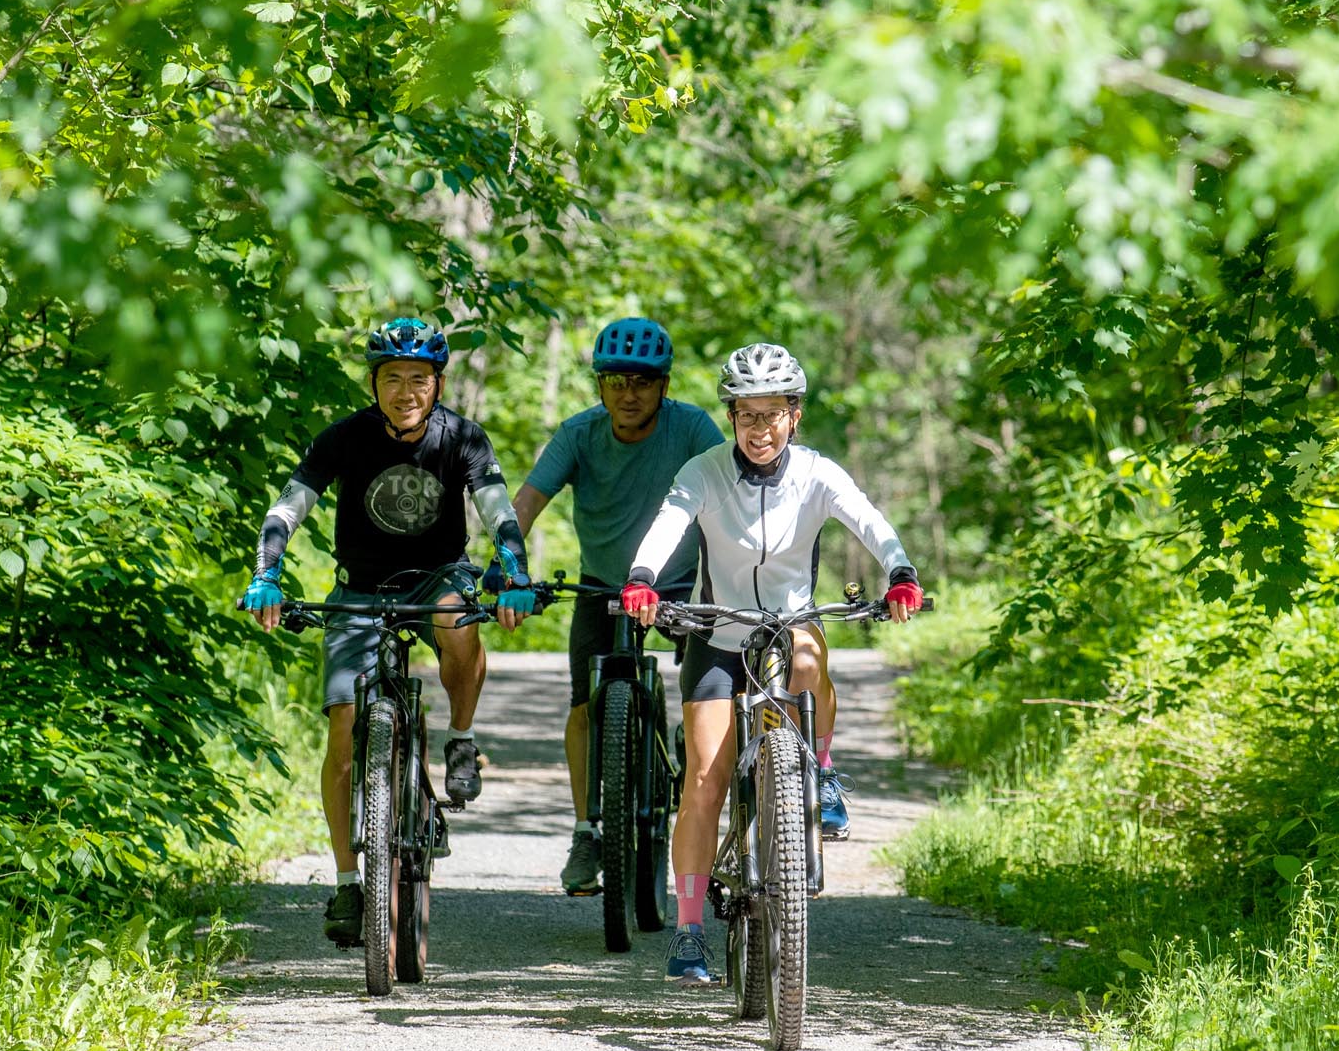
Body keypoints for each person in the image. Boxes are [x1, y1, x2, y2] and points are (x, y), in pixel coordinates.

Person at [620, 343, 923, 985]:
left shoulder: (817, 472)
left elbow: (867, 519)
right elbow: (668, 523)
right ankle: (691, 930)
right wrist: (643, 577)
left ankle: (822, 770)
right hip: (721, 634)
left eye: (773, 415)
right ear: (731, 416)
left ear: (795, 416)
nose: (760, 430)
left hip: (790, 626)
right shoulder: (703, 472)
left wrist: (900, 572)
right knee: (703, 781)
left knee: (809, 649)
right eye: (746, 415)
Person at [239, 317, 536, 947]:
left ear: (437, 384)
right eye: (393, 377)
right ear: (374, 382)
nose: (407, 390)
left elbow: (498, 512)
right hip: (360, 587)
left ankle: (459, 738)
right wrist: (266, 573)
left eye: (420, 379)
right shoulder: (344, 438)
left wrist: (515, 573)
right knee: (344, 725)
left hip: (438, 577)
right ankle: (350, 882)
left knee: (459, 620)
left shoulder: (463, 438)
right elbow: (287, 508)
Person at [513, 318, 726, 895]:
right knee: (584, 702)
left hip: (683, 583)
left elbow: (731, 487)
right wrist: (507, 561)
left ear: (664, 386)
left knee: (704, 690)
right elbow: (530, 498)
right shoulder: (580, 434)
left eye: (642, 382)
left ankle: (686, 759)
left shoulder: (690, 428)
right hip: (603, 583)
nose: (628, 394)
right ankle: (586, 831)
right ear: (599, 386)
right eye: (615, 382)